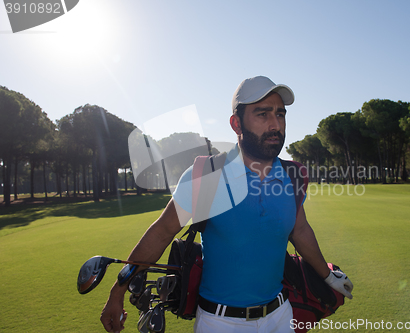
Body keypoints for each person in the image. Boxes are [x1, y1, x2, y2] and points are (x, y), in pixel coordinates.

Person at [100, 76, 353, 333]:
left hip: (281, 316)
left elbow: (300, 231)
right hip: (219, 322)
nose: (275, 124)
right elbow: (162, 231)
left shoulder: (293, 175)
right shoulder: (206, 175)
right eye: (262, 114)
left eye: (280, 114)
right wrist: (118, 290)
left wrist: (328, 276)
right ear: (236, 123)